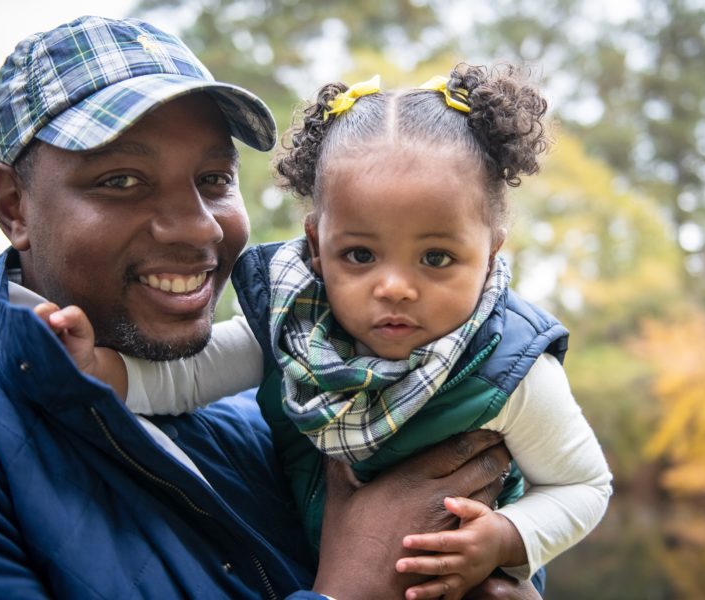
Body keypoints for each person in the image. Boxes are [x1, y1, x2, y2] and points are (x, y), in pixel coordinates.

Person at [0, 15, 531, 599]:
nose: (195, 227)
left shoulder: (281, 404)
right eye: (121, 180)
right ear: (13, 206)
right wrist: (351, 586)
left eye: (213, 179)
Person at [38, 64, 613, 599]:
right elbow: (188, 378)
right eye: (360, 254)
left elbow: (583, 487)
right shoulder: (294, 332)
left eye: (436, 258)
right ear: (316, 249)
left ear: (489, 254)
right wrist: (97, 370)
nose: (394, 287)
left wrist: (507, 536)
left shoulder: (510, 368)